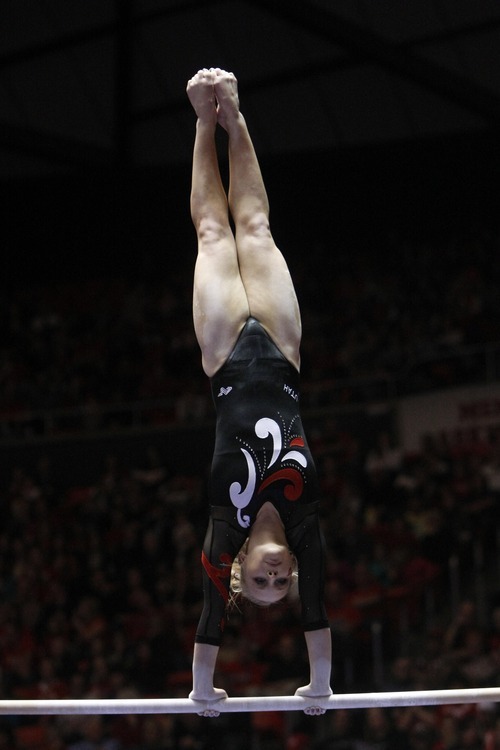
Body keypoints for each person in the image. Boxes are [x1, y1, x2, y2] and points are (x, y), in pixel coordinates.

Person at [186, 68, 332, 715]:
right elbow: (319, 614)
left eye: (263, 581)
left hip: (223, 359)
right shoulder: (304, 526)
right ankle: (235, 115)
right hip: (281, 350)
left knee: (215, 234)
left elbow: (211, 618)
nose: (276, 575)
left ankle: (200, 120)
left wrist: (201, 688)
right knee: (259, 231)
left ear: (243, 568)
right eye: (284, 581)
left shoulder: (228, 526)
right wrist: (320, 685)